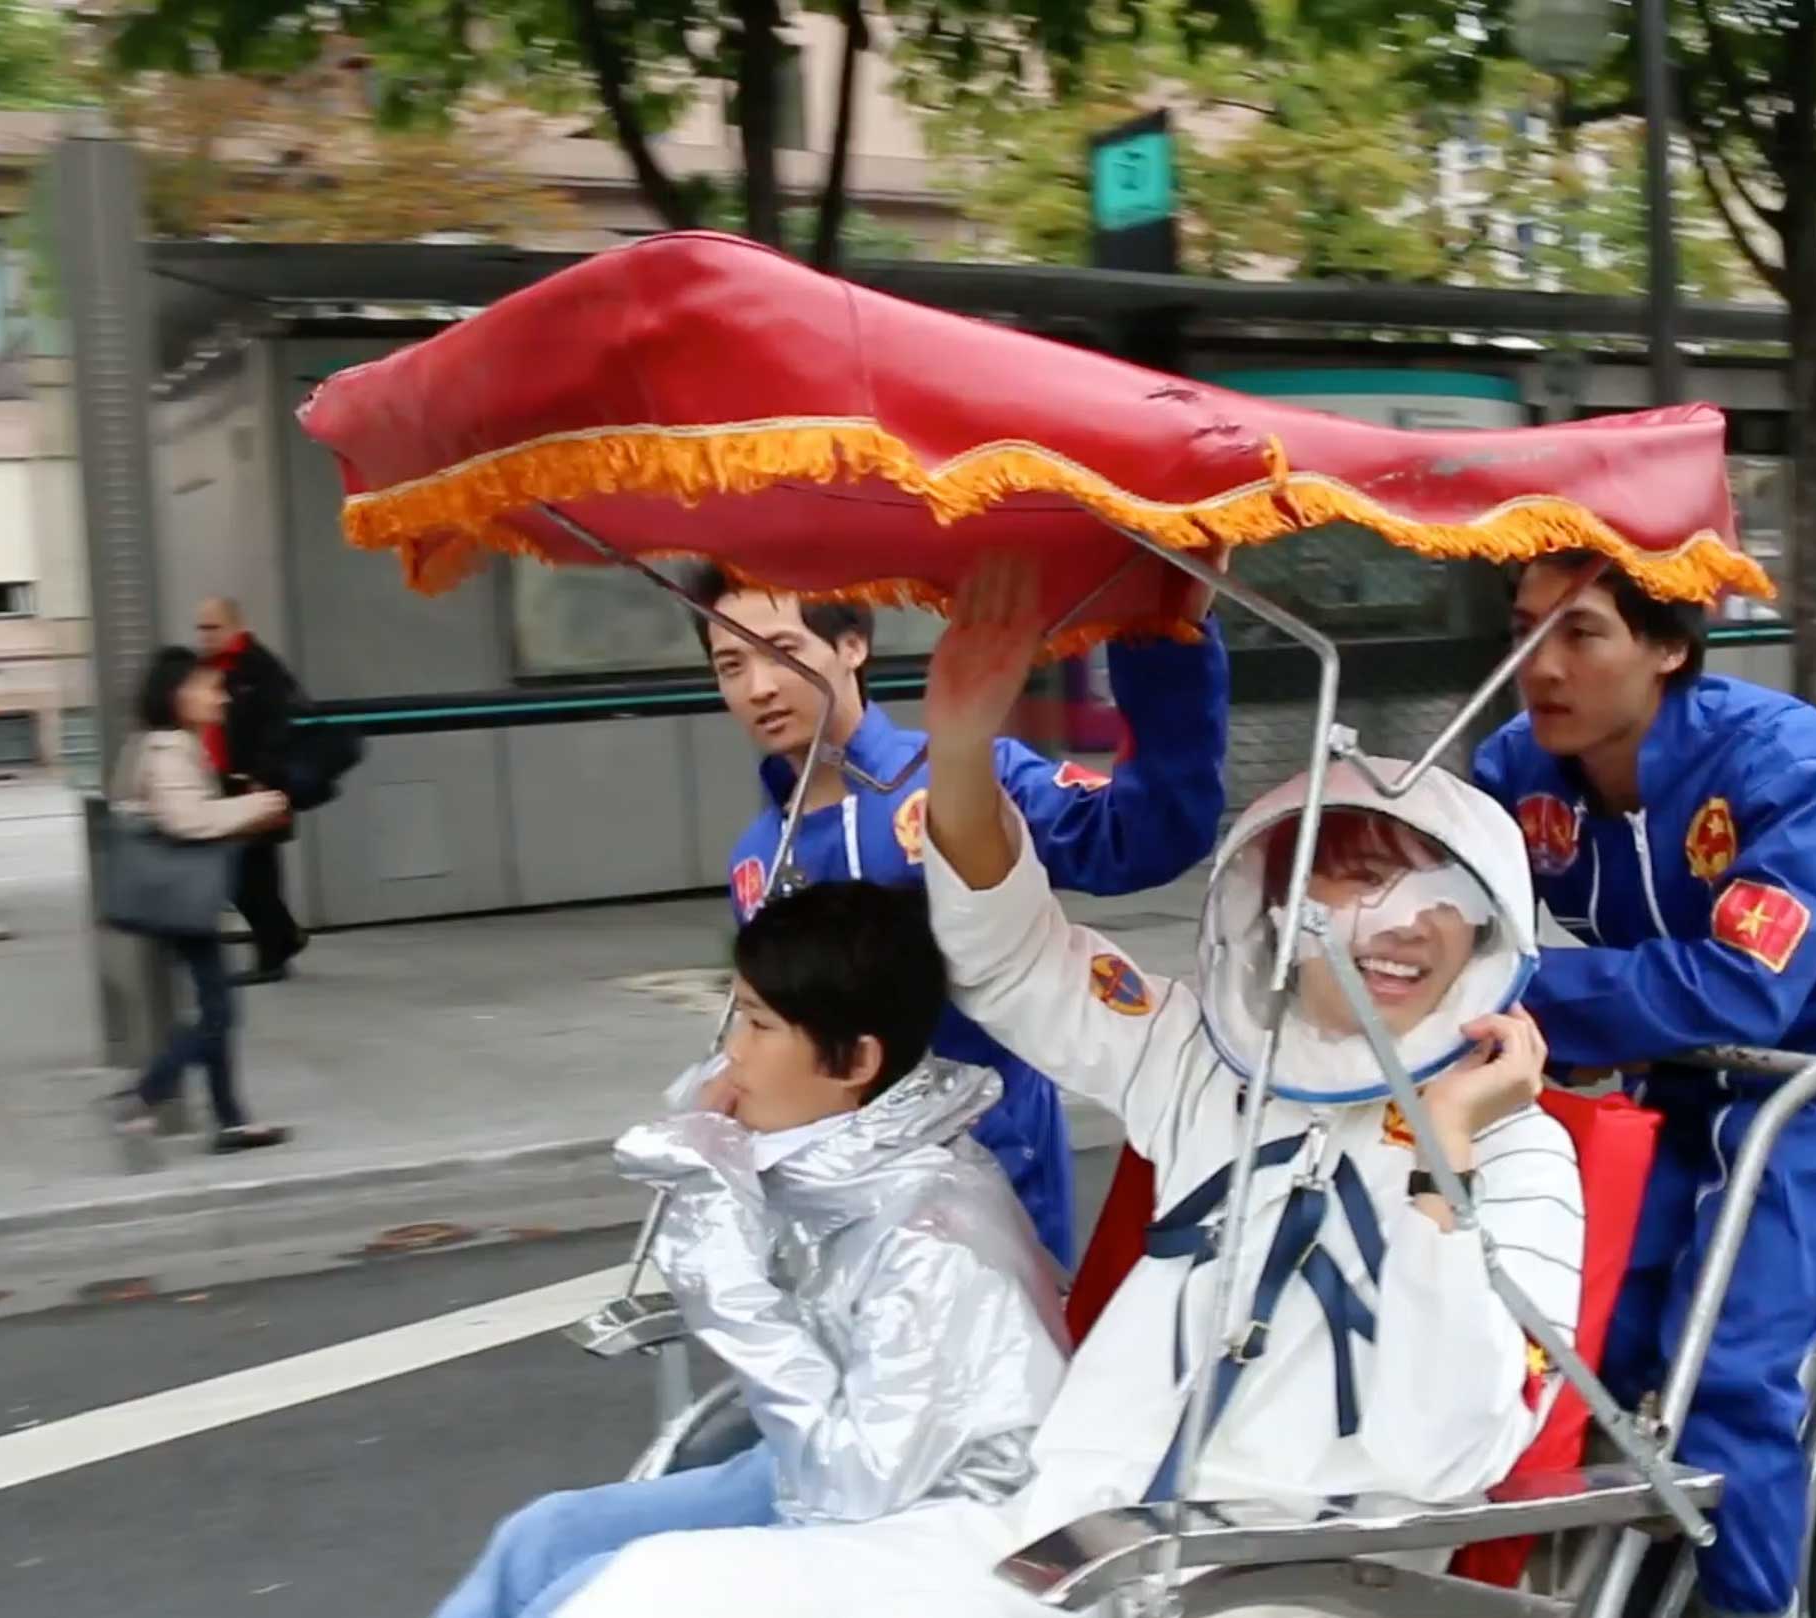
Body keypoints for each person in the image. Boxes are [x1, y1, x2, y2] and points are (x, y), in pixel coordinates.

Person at [548, 555, 1586, 1618]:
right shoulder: (1203, 1061)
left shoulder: (1515, 1150)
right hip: (1057, 1537)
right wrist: (960, 745)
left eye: (1434, 893)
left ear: (1485, 925)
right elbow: (1012, 959)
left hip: (1276, 1579)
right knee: (644, 1589)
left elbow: (1450, 1443)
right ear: (1276, 911)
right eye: (1353, 881)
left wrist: (1439, 1157)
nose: (1399, 924)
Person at [1468, 556, 1816, 1618]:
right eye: (1522, 631)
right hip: (1676, 1071)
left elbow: (1744, 987)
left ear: (1667, 646)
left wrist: (1516, 993)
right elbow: (1434, 906)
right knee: (1579, 1332)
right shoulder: (1514, 771)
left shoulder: (1779, 762)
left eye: (1580, 634)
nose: (1539, 667)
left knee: (1724, 1370)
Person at [430, 880, 1068, 1618]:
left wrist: (723, 1262)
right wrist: (717, 1163)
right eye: (738, 1016)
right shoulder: (837, 1159)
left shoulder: (933, 1243)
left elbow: (850, 1492)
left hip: (930, 1523)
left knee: (600, 1588)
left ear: (855, 1062)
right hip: (831, 1454)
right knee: (542, 1538)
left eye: (760, 1026)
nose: (731, 1053)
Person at [676, 560, 1231, 1265]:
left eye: (783, 652)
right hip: (838, 1217)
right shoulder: (756, 859)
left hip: (995, 1176)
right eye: (730, 666)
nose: (758, 687)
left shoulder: (966, 774)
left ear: (852, 645)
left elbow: (1142, 838)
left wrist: (1165, 635)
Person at [108, 647, 295, 1154]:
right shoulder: (168, 749)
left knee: (217, 1007)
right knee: (219, 1013)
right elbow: (187, 820)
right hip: (181, 900)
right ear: (178, 694)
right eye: (210, 688)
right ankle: (146, 1094)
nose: (221, 697)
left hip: (184, 896)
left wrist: (246, 812)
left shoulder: (176, 744)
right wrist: (254, 806)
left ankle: (229, 1121)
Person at [195, 597, 312, 985]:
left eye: (212, 627)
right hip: (226, 786)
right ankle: (283, 938)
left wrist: (261, 777)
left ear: (235, 627)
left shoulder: (259, 667)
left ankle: (274, 953)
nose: (204, 635)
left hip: (255, 785)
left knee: (251, 874)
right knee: (246, 873)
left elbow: (280, 724)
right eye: (200, 628)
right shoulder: (212, 668)